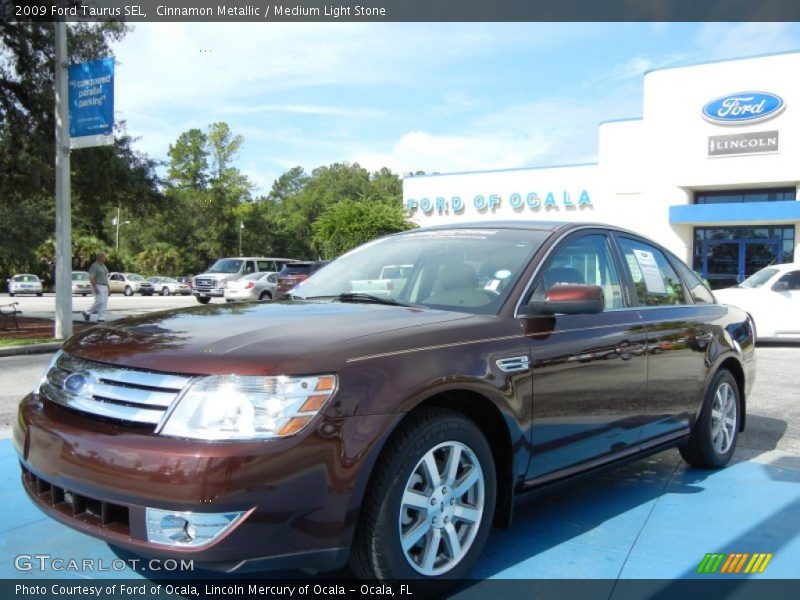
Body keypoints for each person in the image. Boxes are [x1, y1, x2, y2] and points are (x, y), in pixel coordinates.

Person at [83, 252, 109, 323]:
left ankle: (101, 318)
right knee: (99, 301)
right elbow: (91, 277)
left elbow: (105, 277)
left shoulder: (103, 266)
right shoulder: (94, 266)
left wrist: (108, 286)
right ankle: (87, 312)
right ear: (99, 257)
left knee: (104, 302)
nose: (104, 259)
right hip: (97, 285)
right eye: (103, 257)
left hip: (104, 286)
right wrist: (95, 287)